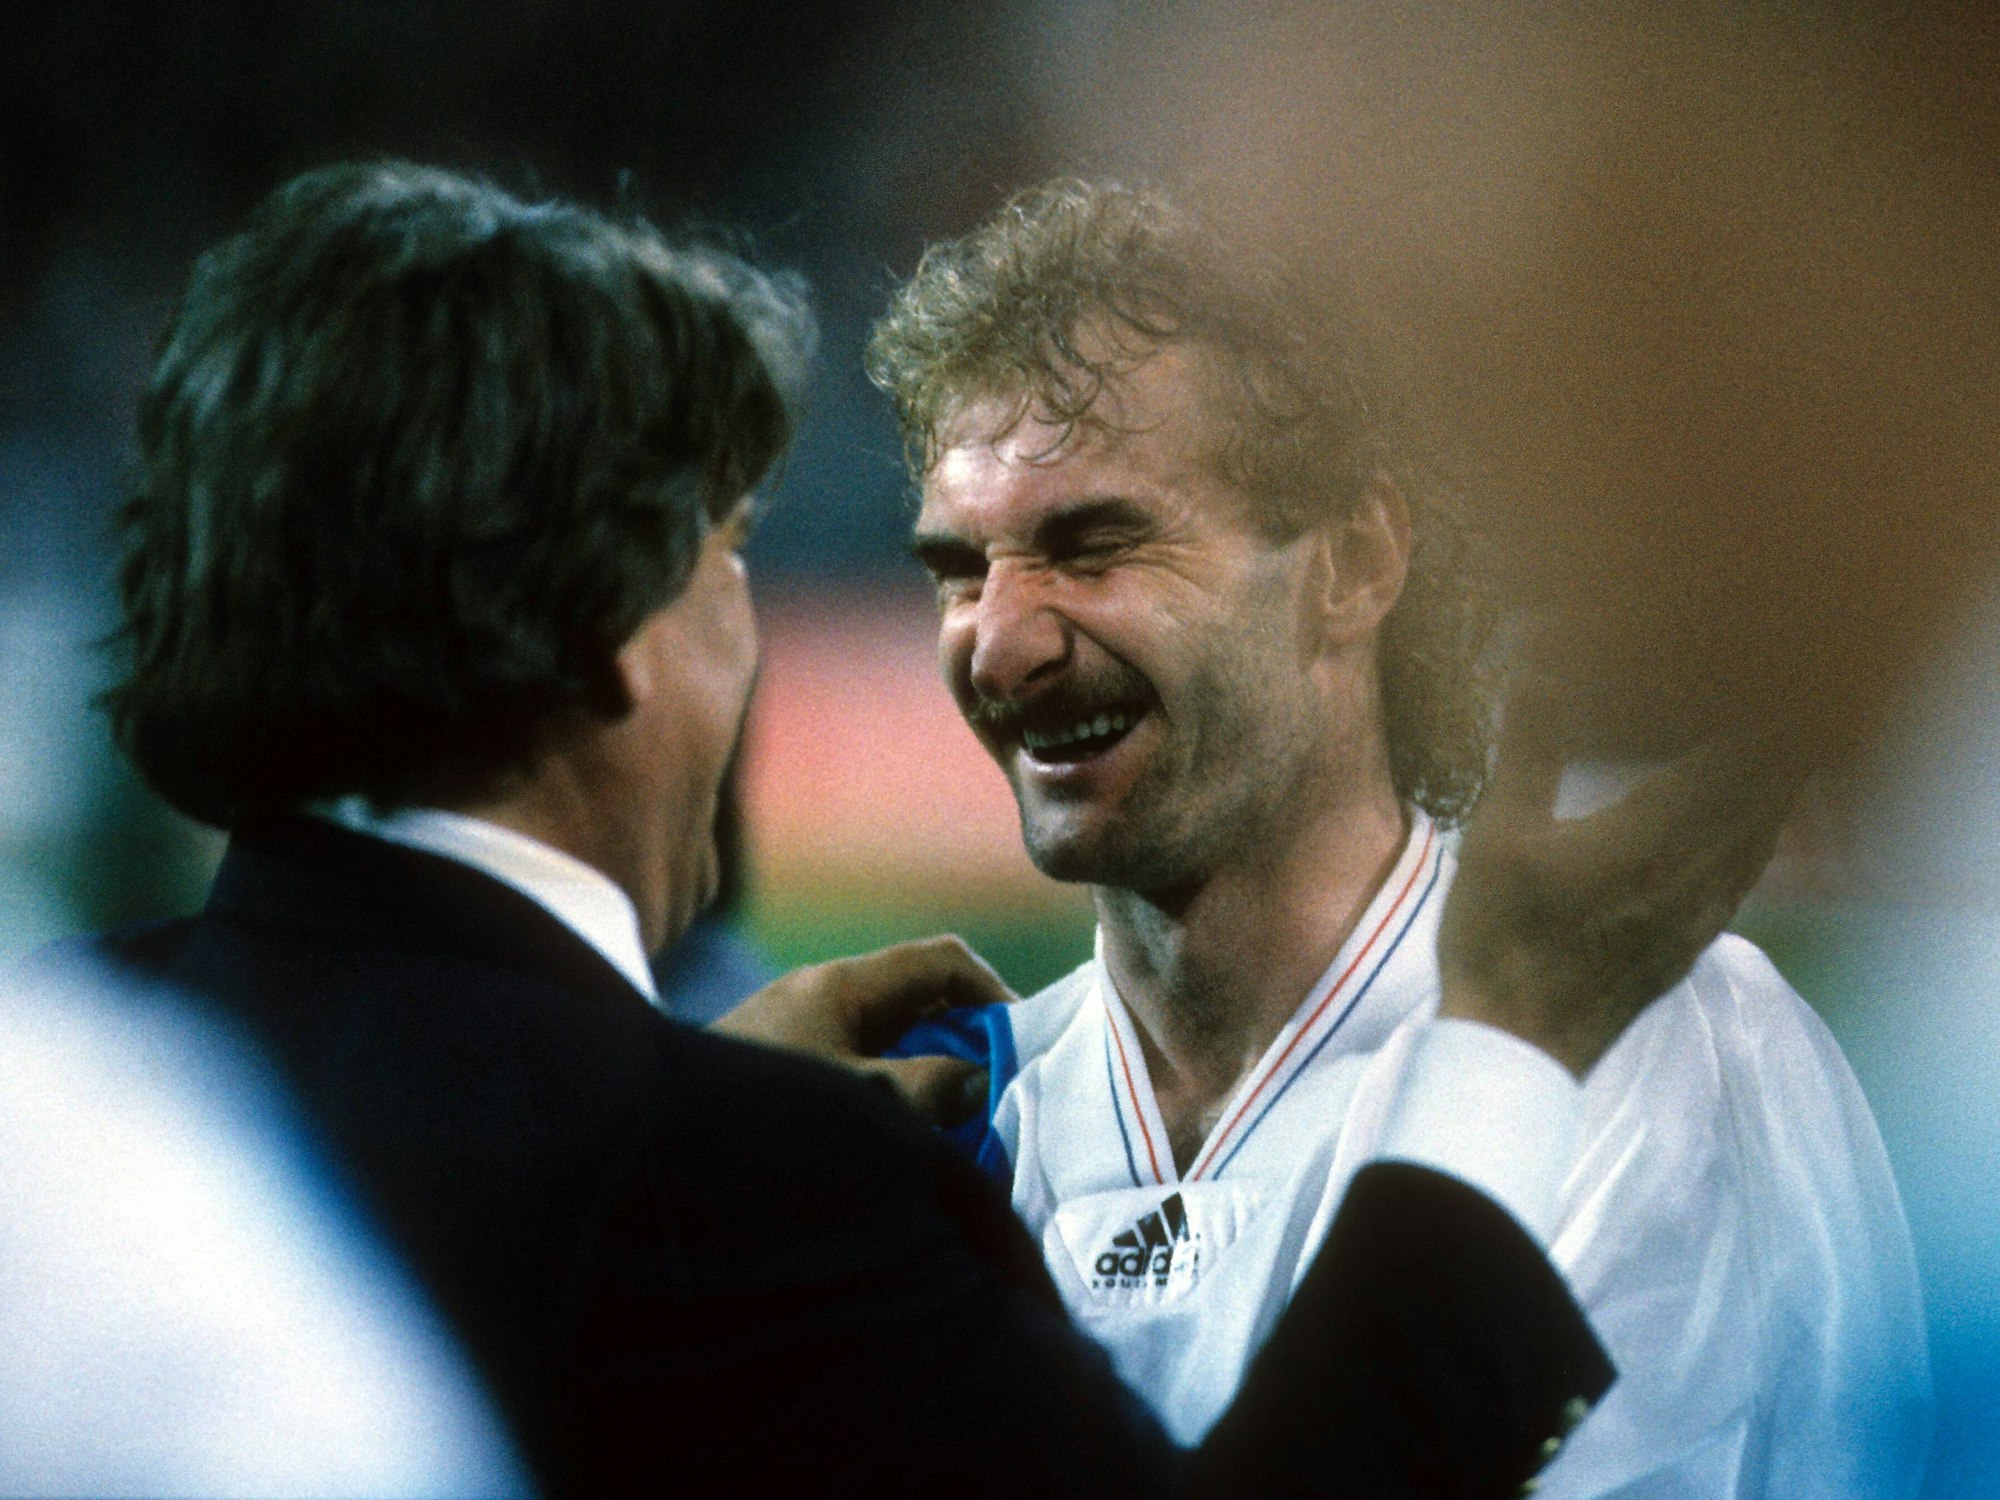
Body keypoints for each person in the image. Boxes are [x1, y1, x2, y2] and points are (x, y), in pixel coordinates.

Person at [17, 158, 1663, 1498]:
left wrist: (683, 1090)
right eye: (728, 552)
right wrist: (1506, 1046)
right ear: (612, 625)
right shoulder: (740, 1179)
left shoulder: (59, 1073)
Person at [870, 180, 1932, 1497]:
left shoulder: (1672, 1055)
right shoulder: (931, 1118)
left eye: (1096, 548)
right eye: (959, 572)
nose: (1002, 641)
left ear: (1357, 562)